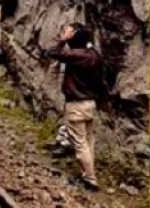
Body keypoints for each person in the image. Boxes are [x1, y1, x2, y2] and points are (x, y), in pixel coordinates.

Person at [44, 23, 104, 191]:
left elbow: (53, 53)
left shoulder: (77, 55)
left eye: (69, 32)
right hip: (90, 104)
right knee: (88, 142)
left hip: (77, 105)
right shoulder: (94, 55)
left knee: (80, 144)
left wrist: (63, 40)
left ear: (75, 36)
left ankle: (90, 180)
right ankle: (89, 175)